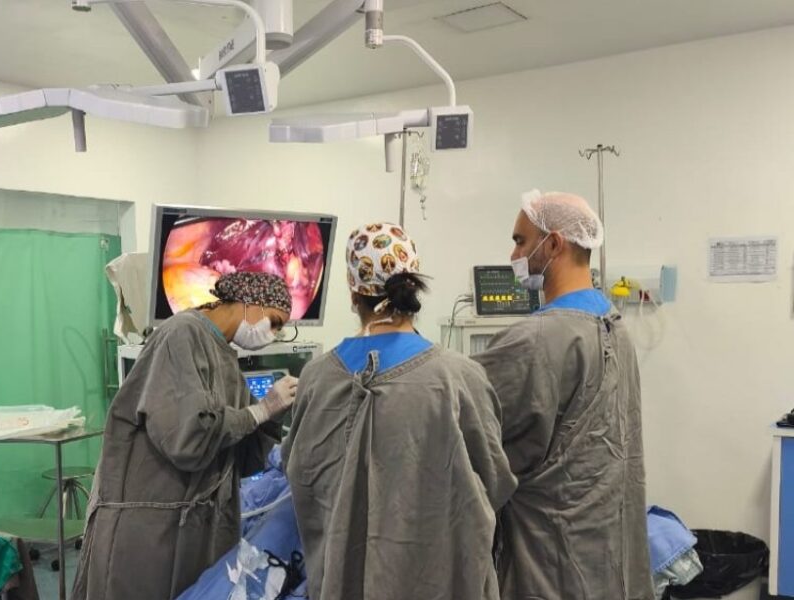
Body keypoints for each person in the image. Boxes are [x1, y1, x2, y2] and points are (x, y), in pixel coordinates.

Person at [282, 223, 516, 600]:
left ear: (353, 291)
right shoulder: (459, 378)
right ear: (413, 287)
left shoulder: (316, 378)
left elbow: (299, 475)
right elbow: (495, 482)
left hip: (343, 583)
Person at [73, 271, 299, 600]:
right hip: (147, 531)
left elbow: (244, 459)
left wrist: (274, 416)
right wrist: (261, 410)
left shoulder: (226, 360)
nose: (274, 334)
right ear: (249, 302)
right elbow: (187, 439)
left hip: (195, 531)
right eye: (274, 322)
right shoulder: (181, 335)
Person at [473, 190, 653, 600]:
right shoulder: (615, 327)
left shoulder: (535, 339)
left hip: (550, 562)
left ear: (554, 244)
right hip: (608, 556)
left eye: (520, 241)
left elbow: (466, 430)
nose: (514, 254)